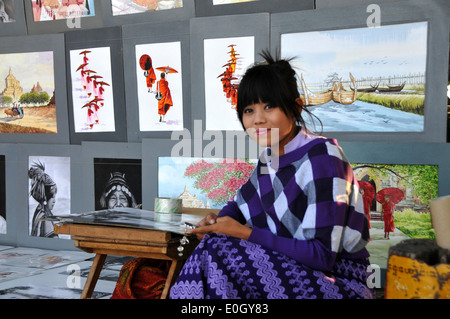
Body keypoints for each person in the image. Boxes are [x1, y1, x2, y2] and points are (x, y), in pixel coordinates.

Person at [170, 50, 374, 299]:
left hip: (339, 280)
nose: (258, 119)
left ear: (296, 108)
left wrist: (243, 233)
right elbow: (240, 203)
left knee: (219, 251)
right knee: (212, 244)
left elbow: (322, 256)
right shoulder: (270, 158)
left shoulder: (324, 157)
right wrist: (216, 222)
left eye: (269, 106)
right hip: (293, 267)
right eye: (248, 110)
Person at [28, 161, 58, 238]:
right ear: (45, 198)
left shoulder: (39, 211)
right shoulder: (44, 217)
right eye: (52, 197)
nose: (54, 201)